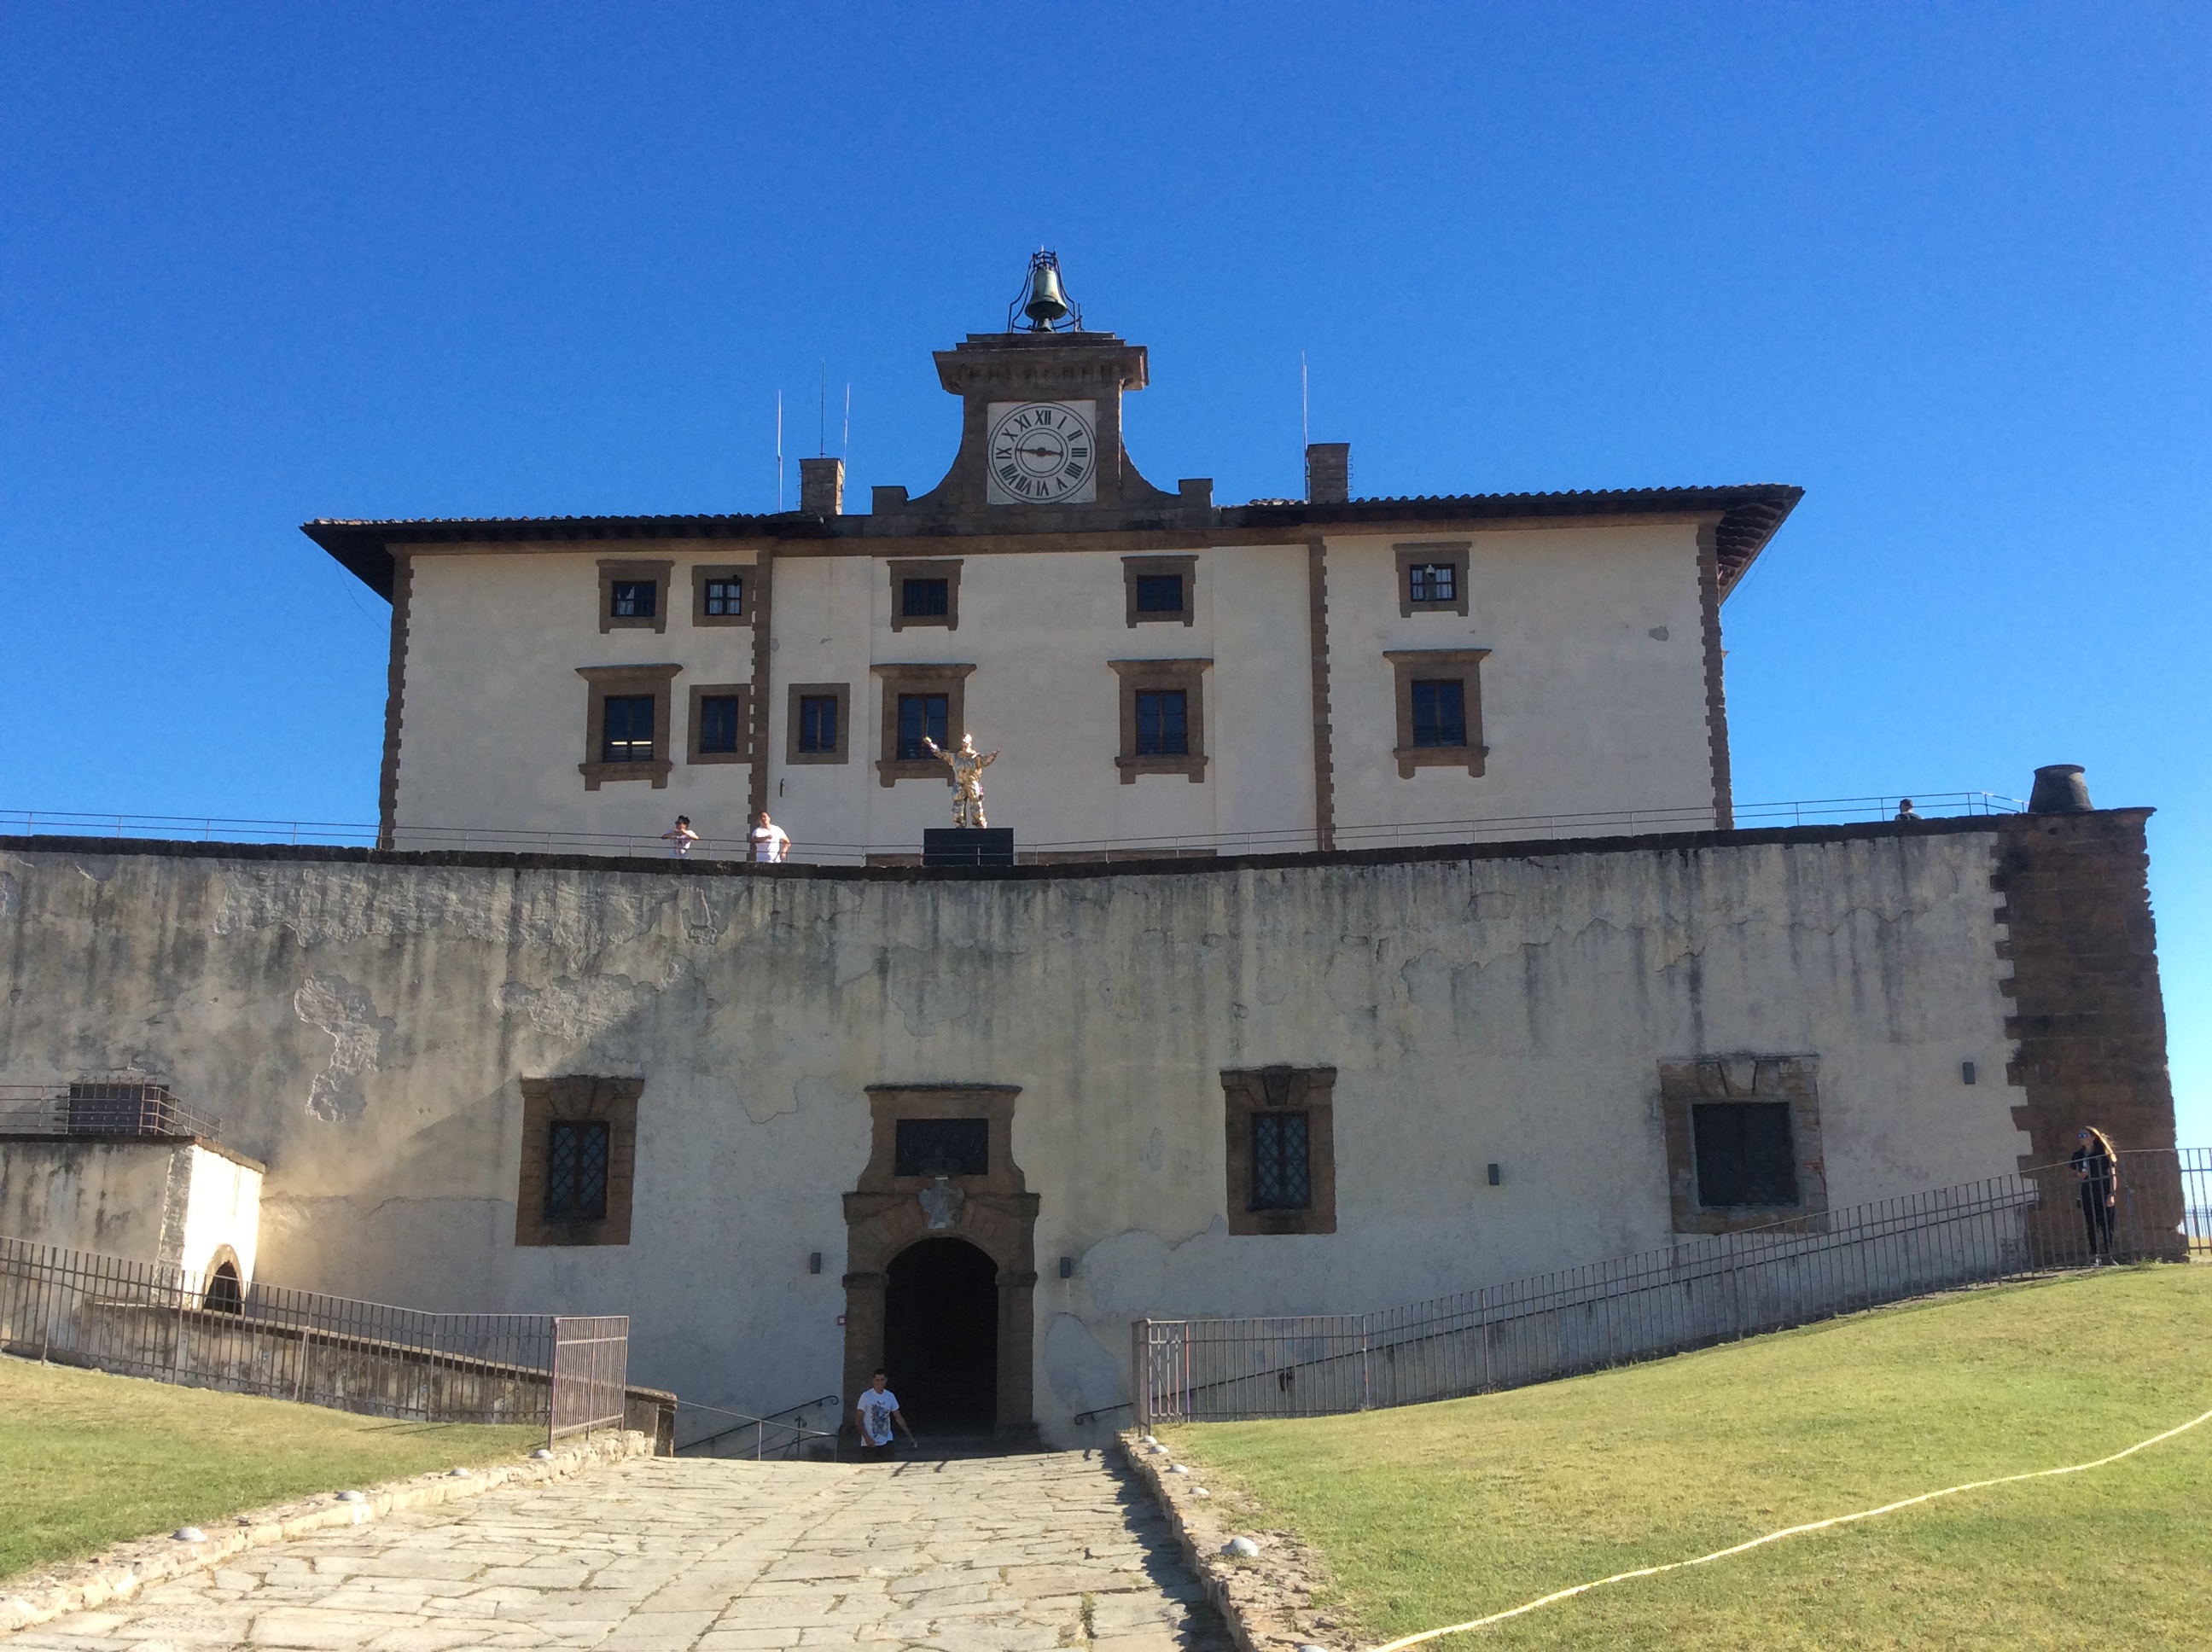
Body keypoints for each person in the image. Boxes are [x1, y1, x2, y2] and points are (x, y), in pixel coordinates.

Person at [2072, 1126, 2120, 1260]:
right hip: (2087, 1193)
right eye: (2080, 1136)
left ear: (2093, 1137)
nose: (2082, 1139)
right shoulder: (2078, 1155)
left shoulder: (2104, 1154)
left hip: (2103, 1191)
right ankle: (2095, 1256)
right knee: (2092, 1225)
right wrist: (2079, 1175)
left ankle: (2109, 1255)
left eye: (2084, 1135)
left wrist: (2112, 1194)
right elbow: (2072, 1175)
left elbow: (2113, 1174)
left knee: (2107, 1225)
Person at [854, 1369, 915, 1460]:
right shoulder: (866, 1397)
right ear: (873, 1381)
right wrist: (866, 1438)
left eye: (882, 1380)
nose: (880, 1383)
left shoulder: (890, 1396)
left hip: (887, 1440)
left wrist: (910, 1435)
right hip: (870, 1442)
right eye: (877, 1380)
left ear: (886, 1380)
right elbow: (859, 1420)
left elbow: (898, 1416)